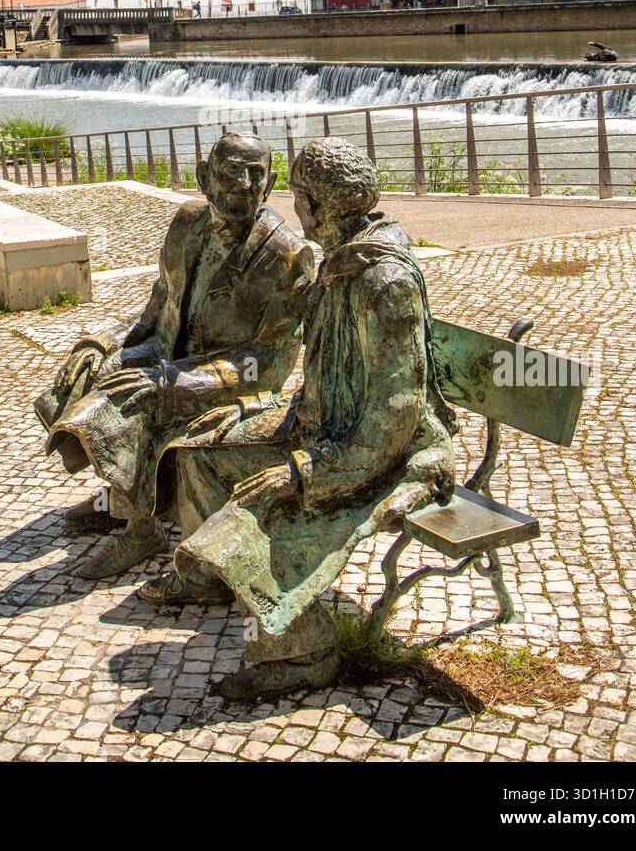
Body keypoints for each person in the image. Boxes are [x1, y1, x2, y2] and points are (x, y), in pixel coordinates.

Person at [145, 136, 456, 699]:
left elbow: (394, 419)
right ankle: (218, 581)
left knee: (264, 502)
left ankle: (302, 650)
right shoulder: (342, 264)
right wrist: (272, 421)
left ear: (319, 205)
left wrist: (304, 472)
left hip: (378, 456)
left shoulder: (382, 282)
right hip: (320, 428)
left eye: (299, 196)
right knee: (197, 452)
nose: (291, 208)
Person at [34, 132, 314, 579]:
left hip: (221, 376)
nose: (242, 184)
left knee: (121, 402)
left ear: (270, 182)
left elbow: (268, 362)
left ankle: (139, 527)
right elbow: (158, 304)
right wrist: (102, 344)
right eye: (228, 172)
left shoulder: (287, 255)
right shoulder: (187, 222)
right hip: (169, 350)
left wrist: (172, 383)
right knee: (82, 376)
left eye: (255, 174)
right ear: (204, 177)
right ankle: (122, 488)